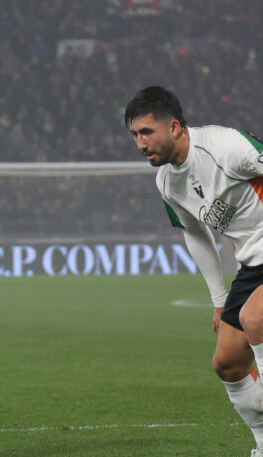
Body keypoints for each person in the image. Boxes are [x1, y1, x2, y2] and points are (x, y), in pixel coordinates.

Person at [125, 86, 263, 457]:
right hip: (253, 262)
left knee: (255, 318)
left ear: (174, 127)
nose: (140, 143)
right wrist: (219, 301)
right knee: (228, 363)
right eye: (135, 135)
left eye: (146, 132)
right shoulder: (167, 183)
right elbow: (195, 232)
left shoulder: (225, 146)